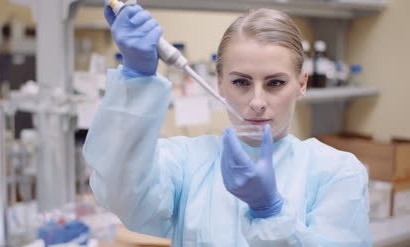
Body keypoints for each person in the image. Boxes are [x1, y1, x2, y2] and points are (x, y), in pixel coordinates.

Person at [82, 1, 371, 246]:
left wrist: (270, 211)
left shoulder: (337, 172)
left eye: (275, 83)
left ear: (301, 84)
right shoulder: (186, 161)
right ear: (219, 84)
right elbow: (121, 196)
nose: (257, 101)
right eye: (241, 82)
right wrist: (137, 79)